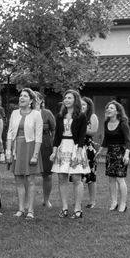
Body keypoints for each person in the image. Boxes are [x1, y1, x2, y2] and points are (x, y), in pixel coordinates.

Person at [50, 90, 90, 219]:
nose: (66, 100)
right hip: (62, 147)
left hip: (75, 147)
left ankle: (78, 209)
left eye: (69, 98)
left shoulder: (81, 116)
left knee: (77, 179)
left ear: (75, 100)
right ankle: (64, 208)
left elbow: (82, 136)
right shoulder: (60, 115)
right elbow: (56, 136)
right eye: (65, 98)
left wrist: (78, 153)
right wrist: (54, 151)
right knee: (62, 178)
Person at [6, 88, 43, 219]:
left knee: (30, 180)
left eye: (25, 96)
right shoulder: (14, 113)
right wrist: (8, 151)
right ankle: (21, 209)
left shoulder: (36, 114)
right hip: (17, 147)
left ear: (31, 100)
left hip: (30, 147)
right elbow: (10, 133)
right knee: (18, 180)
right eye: (20, 96)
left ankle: (31, 210)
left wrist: (35, 155)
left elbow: (39, 136)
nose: (21, 98)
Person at [99, 100, 130, 212]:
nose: (108, 109)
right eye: (107, 108)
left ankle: (123, 204)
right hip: (110, 153)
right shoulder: (106, 123)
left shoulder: (123, 124)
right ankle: (114, 202)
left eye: (111, 108)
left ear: (117, 112)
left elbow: (128, 141)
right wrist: (99, 152)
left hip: (121, 153)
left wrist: (126, 155)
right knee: (111, 179)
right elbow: (106, 140)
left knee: (120, 179)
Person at [35, 92, 56, 208]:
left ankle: (46, 200)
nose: (35, 101)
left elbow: (54, 130)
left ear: (42, 101)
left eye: (37, 98)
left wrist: (53, 145)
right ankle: (27, 201)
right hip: (31, 144)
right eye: (33, 98)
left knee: (47, 175)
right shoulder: (28, 113)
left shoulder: (47, 114)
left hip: (46, 145)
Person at [81, 96, 99, 208]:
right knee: (78, 176)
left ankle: (92, 201)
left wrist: (80, 128)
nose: (82, 106)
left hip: (88, 148)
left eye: (84, 105)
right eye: (80, 104)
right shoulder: (76, 116)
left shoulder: (92, 116)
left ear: (88, 106)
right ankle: (79, 200)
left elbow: (93, 131)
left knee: (91, 176)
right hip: (77, 147)